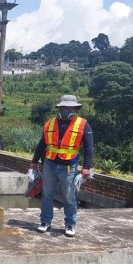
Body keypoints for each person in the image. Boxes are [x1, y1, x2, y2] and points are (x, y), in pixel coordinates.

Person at [29, 95, 94, 237]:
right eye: (64, 107)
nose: (66, 110)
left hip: (69, 166)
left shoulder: (83, 124)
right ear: (59, 108)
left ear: (75, 108)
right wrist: (34, 162)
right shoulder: (50, 123)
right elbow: (42, 144)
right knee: (46, 194)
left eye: (69, 107)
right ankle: (45, 222)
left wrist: (86, 167)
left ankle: (70, 224)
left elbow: (89, 148)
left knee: (69, 196)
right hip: (50, 164)